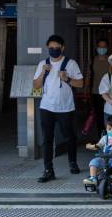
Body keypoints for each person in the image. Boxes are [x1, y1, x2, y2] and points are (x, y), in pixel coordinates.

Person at [32, 34, 84, 183]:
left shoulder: (71, 63)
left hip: (65, 107)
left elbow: (80, 83)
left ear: (62, 48)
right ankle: (48, 170)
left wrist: (66, 78)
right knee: (47, 139)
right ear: (47, 48)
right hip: (47, 107)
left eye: (57, 48)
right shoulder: (43, 63)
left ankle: (72, 162)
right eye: (51, 48)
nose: (54, 50)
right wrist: (43, 72)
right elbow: (35, 85)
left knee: (70, 136)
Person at [83, 116, 112, 194]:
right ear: (106, 128)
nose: (111, 131)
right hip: (104, 158)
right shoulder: (105, 138)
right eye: (109, 129)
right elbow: (99, 145)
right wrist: (92, 146)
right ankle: (93, 178)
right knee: (93, 162)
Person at [85, 39, 110, 136]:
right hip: (96, 91)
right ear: (97, 48)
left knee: (109, 113)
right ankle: (101, 133)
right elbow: (89, 75)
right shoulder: (93, 60)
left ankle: (111, 132)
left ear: (107, 48)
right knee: (99, 113)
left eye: (104, 47)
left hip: (109, 91)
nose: (102, 49)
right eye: (100, 46)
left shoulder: (111, 60)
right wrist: (86, 88)